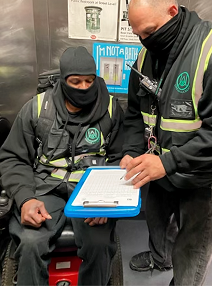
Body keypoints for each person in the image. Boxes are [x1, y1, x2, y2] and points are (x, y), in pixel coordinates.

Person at [120, 0, 212, 285]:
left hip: (204, 177)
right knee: (157, 224)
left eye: (150, 32)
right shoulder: (144, 59)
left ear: (173, 12)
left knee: (193, 250)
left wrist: (166, 162)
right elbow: (133, 114)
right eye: (138, 35)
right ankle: (158, 257)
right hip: (160, 169)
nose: (144, 41)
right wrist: (130, 151)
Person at [0, 46, 124, 286]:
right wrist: (25, 199)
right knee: (30, 242)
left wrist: (107, 202)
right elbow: (14, 157)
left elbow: (120, 159)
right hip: (46, 187)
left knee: (99, 245)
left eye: (89, 81)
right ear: (63, 79)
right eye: (75, 82)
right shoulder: (37, 109)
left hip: (92, 192)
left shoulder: (111, 109)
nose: (83, 87)